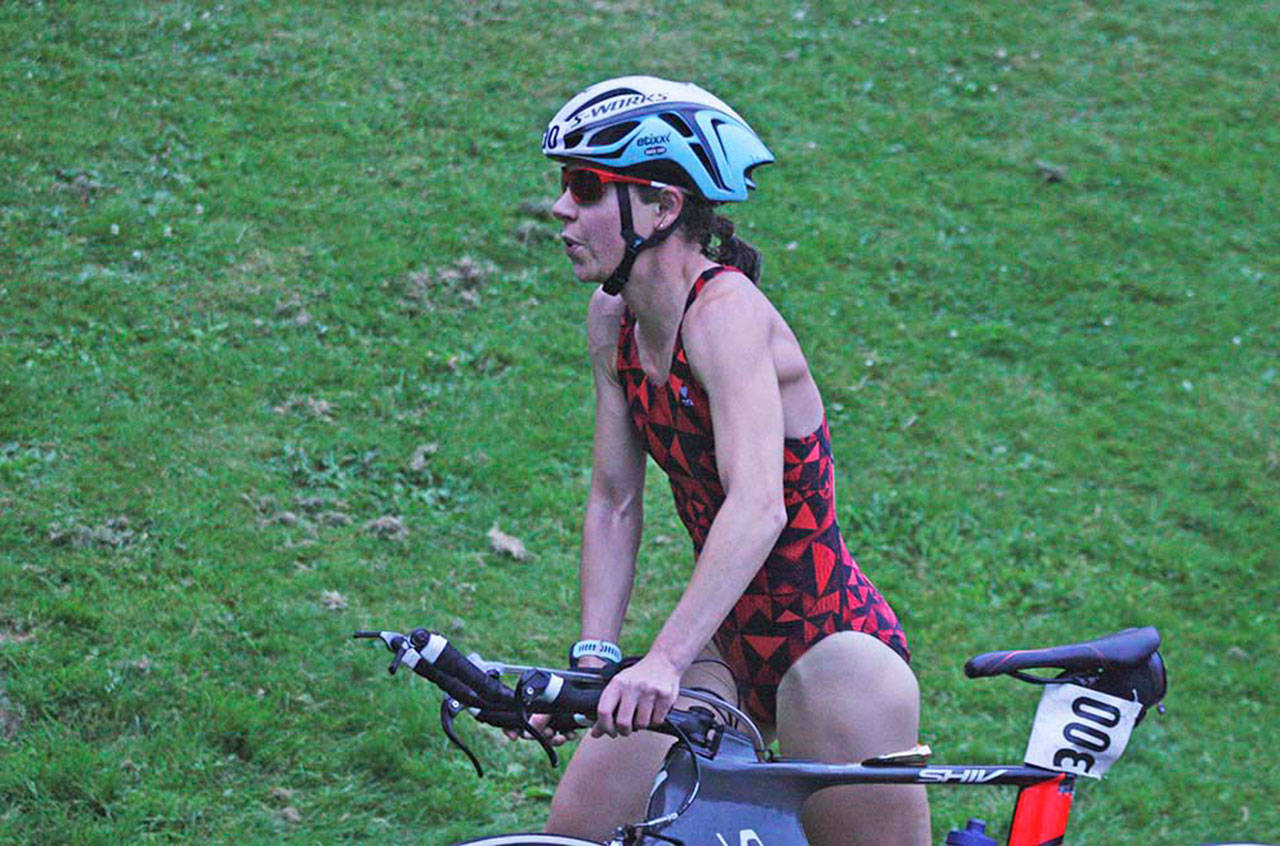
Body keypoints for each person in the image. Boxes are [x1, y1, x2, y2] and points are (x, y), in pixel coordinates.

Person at [535, 76, 930, 845]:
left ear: (661, 206)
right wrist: (595, 661)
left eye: (585, 187)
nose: (560, 209)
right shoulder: (613, 318)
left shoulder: (727, 314)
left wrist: (662, 660)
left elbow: (758, 506)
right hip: (724, 646)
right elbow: (614, 501)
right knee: (578, 829)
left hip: (834, 654)